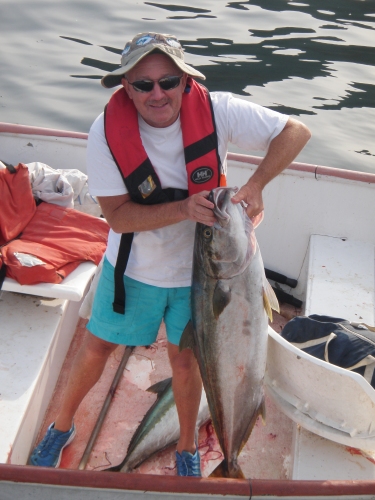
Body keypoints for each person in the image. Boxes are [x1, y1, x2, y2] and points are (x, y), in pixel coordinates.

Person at [29, 32, 311, 475]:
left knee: (186, 361)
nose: (157, 93)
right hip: (133, 268)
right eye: (143, 84)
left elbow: (296, 131)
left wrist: (255, 186)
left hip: (201, 272)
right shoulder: (105, 131)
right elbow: (118, 218)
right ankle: (60, 427)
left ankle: (186, 447)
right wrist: (182, 208)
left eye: (168, 81)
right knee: (96, 347)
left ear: (185, 81)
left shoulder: (218, 111)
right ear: (126, 87)